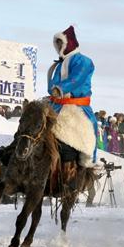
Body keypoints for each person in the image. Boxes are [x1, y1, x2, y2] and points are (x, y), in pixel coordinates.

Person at [47, 25, 99, 167]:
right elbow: (52, 86)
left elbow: (78, 78)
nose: (58, 47)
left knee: (86, 134)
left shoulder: (84, 61)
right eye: (56, 44)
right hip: (56, 105)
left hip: (77, 106)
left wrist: (61, 89)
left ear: (68, 44)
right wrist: (52, 93)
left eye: (60, 43)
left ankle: (84, 163)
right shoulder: (59, 64)